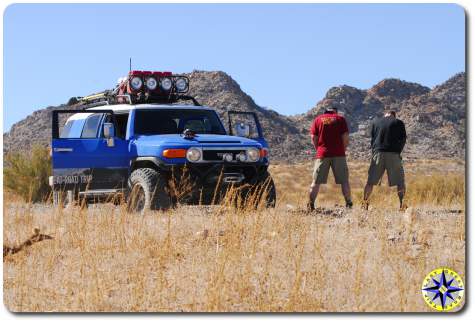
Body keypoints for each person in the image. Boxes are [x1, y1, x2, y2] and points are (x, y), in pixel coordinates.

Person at [308, 106, 352, 210]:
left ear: (325, 112)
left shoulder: (318, 119)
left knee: (316, 181)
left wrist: (318, 149)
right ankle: (349, 204)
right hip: (339, 154)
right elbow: (345, 136)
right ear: (335, 112)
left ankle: (311, 205)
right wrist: (343, 149)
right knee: (344, 181)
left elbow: (313, 137)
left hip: (322, 154)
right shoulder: (340, 119)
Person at [363, 110, 407, 210]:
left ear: (385, 115)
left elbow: (373, 139)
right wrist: (398, 152)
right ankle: (402, 205)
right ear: (394, 116)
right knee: (400, 181)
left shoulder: (375, 122)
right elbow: (403, 139)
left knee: (370, 182)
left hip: (378, 153)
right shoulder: (398, 122)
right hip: (393, 154)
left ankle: (364, 204)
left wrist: (375, 151)